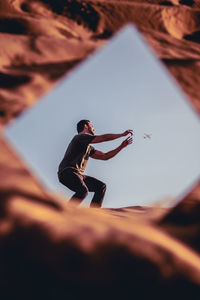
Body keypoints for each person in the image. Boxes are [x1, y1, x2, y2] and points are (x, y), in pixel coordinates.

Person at [57, 120, 133, 207]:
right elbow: (103, 138)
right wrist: (122, 135)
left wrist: (121, 146)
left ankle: (94, 214)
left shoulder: (88, 147)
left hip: (78, 174)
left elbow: (105, 156)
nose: (93, 128)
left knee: (101, 187)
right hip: (67, 171)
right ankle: (65, 213)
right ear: (85, 126)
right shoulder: (80, 137)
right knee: (83, 190)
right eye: (91, 125)